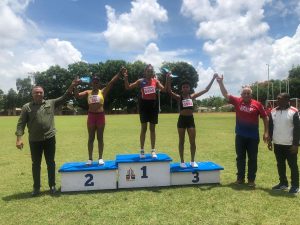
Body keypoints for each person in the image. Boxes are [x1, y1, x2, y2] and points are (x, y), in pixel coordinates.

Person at [15, 80, 79, 196]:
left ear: (43, 93)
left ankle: (52, 185)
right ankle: (36, 188)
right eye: (36, 92)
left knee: (51, 163)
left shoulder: (51, 103)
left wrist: (72, 85)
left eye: (40, 92)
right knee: (36, 164)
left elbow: (65, 97)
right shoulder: (26, 107)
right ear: (32, 94)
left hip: (49, 138)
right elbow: (21, 124)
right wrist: (19, 138)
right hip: (34, 140)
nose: (38, 94)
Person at [216, 75, 269, 187]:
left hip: (253, 137)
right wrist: (220, 83)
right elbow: (226, 94)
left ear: (251, 94)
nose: (246, 95)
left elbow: (265, 117)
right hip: (240, 136)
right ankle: (240, 178)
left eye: (248, 93)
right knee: (240, 157)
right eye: (244, 93)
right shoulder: (237, 101)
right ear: (241, 95)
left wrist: (266, 132)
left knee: (252, 158)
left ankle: (251, 180)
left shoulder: (257, 104)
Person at [166, 74, 217, 168]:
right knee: (181, 141)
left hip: (190, 120)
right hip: (181, 120)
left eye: (187, 87)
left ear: (189, 88)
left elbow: (206, 90)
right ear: (182, 89)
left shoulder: (192, 96)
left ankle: (192, 161)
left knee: (192, 141)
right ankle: (182, 162)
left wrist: (213, 78)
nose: (185, 88)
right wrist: (168, 79)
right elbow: (169, 91)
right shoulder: (179, 97)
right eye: (184, 87)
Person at [74, 69, 123, 166]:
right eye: (94, 82)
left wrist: (119, 73)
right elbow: (77, 96)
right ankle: (90, 159)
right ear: (91, 83)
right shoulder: (88, 92)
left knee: (100, 138)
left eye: (97, 82)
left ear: (99, 83)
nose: (95, 84)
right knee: (91, 138)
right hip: (91, 116)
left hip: (100, 116)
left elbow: (111, 82)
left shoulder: (103, 91)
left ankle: (100, 158)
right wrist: (75, 85)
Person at [124, 64, 167, 158]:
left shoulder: (156, 81)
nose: (150, 72)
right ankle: (142, 150)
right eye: (148, 71)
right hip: (143, 106)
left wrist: (168, 79)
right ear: (145, 72)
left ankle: (153, 150)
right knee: (143, 128)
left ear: (153, 72)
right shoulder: (141, 81)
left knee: (152, 129)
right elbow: (128, 87)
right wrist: (126, 78)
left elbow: (164, 90)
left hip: (153, 106)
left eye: (151, 71)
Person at [268, 93, 299, 194]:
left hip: (290, 145)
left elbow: (297, 130)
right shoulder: (273, 111)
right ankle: (283, 183)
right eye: (277, 99)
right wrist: (270, 140)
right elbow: (271, 127)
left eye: (280, 99)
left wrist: (296, 144)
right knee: (280, 165)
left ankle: (295, 186)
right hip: (277, 144)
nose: (277, 100)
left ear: (287, 100)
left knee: (293, 165)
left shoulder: (294, 111)